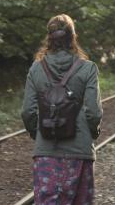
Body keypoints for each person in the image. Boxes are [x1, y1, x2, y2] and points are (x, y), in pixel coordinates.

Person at [22, 14, 103, 205]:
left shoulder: (36, 69)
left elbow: (27, 111)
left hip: (46, 151)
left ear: (49, 38)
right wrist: (91, 134)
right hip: (80, 150)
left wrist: (40, 133)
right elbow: (94, 112)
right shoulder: (88, 68)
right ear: (73, 37)